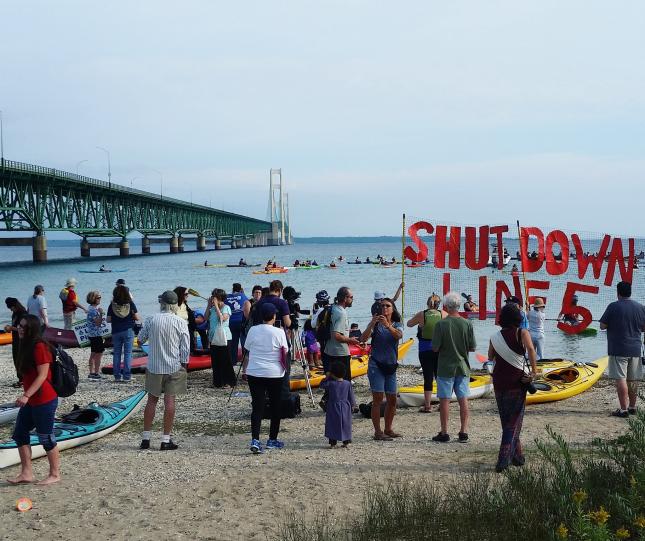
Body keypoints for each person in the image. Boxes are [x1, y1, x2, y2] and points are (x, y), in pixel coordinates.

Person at [7, 314, 60, 485]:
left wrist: (26, 395)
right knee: (20, 434)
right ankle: (26, 473)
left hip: (45, 399)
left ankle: (54, 474)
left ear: (32, 329)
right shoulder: (26, 345)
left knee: (46, 437)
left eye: (23, 326)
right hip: (32, 401)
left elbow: (43, 376)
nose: (19, 328)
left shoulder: (39, 346)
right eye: (19, 326)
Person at [488, 304, 538, 472]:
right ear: (518, 318)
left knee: (506, 419)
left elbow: (490, 357)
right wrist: (534, 372)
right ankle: (503, 459)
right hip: (516, 381)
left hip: (499, 381)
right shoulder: (522, 333)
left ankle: (517, 455)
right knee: (514, 420)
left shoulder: (494, 337)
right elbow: (531, 349)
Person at [138, 290, 190, 451]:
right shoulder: (180, 322)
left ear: (161, 303)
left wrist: (152, 350)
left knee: (151, 401)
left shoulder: (151, 319)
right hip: (173, 365)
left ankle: (146, 438)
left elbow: (140, 339)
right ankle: (165, 439)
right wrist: (184, 364)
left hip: (154, 365)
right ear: (175, 305)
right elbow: (185, 347)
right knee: (170, 401)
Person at [243, 303, 289, 454]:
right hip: (274, 373)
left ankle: (255, 439)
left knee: (257, 407)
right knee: (275, 406)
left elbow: (247, 348)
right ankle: (272, 439)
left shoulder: (252, 330)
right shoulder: (279, 332)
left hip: (255, 372)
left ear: (261, 316)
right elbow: (286, 350)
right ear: (274, 317)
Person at [431, 291, 476, 443]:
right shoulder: (467, 323)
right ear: (458, 306)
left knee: (444, 400)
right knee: (463, 400)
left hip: (445, 367)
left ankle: (444, 432)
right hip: (462, 366)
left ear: (446, 306)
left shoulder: (441, 324)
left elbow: (435, 348)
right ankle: (463, 431)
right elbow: (472, 348)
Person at [599, 281, 645, 417]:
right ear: (630, 292)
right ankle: (632, 407)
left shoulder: (613, 306)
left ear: (618, 292)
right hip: (635, 349)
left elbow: (602, 326)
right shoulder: (640, 307)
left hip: (618, 349)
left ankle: (623, 409)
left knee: (621, 378)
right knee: (633, 379)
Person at [360, 297, 403, 440]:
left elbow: (398, 336)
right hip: (376, 365)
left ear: (393, 309)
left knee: (392, 399)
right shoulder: (376, 324)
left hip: (391, 366)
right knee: (377, 399)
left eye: (388, 306)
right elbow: (363, 339)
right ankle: (378, 432)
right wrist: (372, 323)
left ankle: (388, 429)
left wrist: (388, 326)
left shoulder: (397, 324)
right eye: (382, 306)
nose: (384, 308)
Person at [406, 294, 445, 413]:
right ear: (438, 304)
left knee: (428, 377)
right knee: (440, 377)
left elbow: (409, 324)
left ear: (427, 303)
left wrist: (420, 323)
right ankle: (442, 405)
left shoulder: (421, 314)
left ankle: (427, 406)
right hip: (439, 349)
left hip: (424, 350)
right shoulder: (443, 314)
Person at [323, 287, 360, 378]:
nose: (352, 299)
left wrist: (347, 330)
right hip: (340, 353)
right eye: (351, 297)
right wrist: (350, 340)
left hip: (329, 350)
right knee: (344, 381)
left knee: (332, 381)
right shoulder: (341, 313)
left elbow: (333, 328)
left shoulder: (333, 308)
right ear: (345, 298)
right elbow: (337, 335)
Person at [107, 284, 140, 383]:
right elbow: (137, 318)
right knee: (127, 354)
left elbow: (108, 320)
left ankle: (117, 376)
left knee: (117, 353)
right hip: (128, 330)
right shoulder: (130, 303)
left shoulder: (112, 305)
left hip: (116, 331)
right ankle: (126, 376)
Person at [322, 360, 356, 448]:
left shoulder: (331, 383)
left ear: (333, 373)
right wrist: (353, 405)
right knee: (345, 423)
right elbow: (351, 395)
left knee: (332, 424)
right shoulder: (347, 383)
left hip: (333, 406)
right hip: (345, 406)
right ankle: (346, 441)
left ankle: (333, 443)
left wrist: (327, 377)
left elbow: (322, 384)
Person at [207, 288, 236, 388]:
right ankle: (217, 382)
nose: (213, 298)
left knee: (225, 360)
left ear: (220, 298)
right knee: (215, 361)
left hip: (224, 337)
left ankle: (228, 382)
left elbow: (222, 319)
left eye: (215, 297)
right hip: (213, 337)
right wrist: (208, 306)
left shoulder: (226, 307)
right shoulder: (212, 309)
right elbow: (205, 318)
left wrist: (216, 305)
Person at [4, 297, 28, 387]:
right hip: (15, 340)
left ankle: (24, 379)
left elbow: (24, 329)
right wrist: (9, 329)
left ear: (15, 306)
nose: (11, 310)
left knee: (21, 359)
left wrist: (11, 328)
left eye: (11, 308)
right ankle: (21, 379)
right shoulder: (14, 314)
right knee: (16, 359)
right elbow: (16, 326)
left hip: (22, 340)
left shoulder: (23, 314)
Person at [225, 283, 251, 364]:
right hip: (241, 322)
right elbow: (248, 304)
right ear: (241, 289)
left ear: (232, 289)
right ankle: (245, 361)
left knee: (233, 343)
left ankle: (233, 361)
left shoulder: (227, 296)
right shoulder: (243, 296)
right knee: (244, 342)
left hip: (231, 322)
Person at [85, 290, 105, 380]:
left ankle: (92, 372)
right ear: (94, 299)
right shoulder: (93, 310)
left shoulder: (91, 308)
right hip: (95, 334)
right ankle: (95, 373)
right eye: (98, 297)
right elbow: (97, 323)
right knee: (98, 354)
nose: (100, 299)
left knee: (94, 353)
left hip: (93, 334)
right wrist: (101, 313)